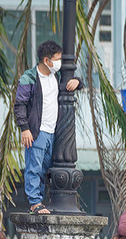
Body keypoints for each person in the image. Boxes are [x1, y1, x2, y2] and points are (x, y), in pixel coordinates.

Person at [14, 40, 81, 215]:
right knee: (34, 167)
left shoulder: (56, 76)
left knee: (47, 169)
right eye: (57, 59)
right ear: (46, 60)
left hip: (54, 132)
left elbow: (71, 85)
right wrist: (25, 128)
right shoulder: (29, 78)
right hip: (37, 131)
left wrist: (77, 82)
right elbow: (19, 104)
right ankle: (35, 203)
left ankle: (44, 202)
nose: (59, 64)